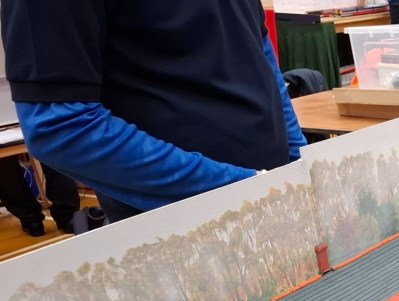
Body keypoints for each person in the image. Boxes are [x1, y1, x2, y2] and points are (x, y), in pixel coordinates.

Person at [1, 1, 307, 223]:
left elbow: (258, 47)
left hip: (274, 201)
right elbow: (60, 128)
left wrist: (300, 163)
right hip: (185, 230)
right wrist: (240, 188)